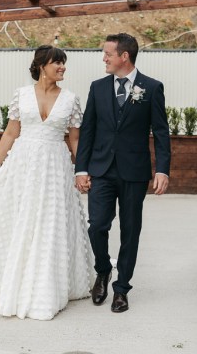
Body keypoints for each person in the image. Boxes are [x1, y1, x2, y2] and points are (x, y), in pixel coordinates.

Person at [0, 45, 94, 321]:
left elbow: (74, 139)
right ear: (41, 65)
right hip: (23, 165)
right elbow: (12, 132)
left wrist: (81, 169)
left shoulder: (71, 99)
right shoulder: (21, 95)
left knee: (50, 222)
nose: (62, 67)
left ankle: (48, 287)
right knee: (21, 219)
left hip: (55, 167)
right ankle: (15, 278)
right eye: (57, 63)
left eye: (64, 63)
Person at [75, 33, 171, 313]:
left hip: (134, 172)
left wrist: (162, 169)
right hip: (101, 170)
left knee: (131, 231)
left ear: (124, 56)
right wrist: (81, 169)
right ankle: (103, 270)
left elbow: (161, 132)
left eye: (107, 53)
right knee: (98, 225)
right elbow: (88, 130)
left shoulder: (152, 88)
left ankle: (121, 288)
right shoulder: (98, 87)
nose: (103, 58)